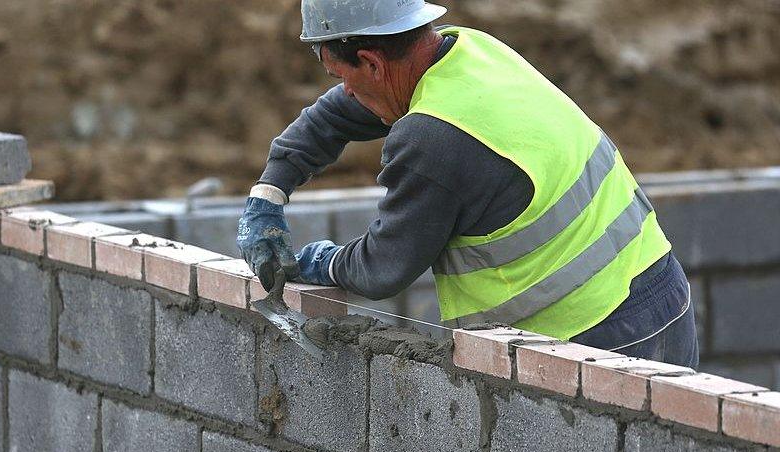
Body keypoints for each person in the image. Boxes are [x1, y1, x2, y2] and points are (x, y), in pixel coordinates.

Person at [236, 0, 698, 367]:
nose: (347, 93)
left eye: (343, 77)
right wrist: (268, 194)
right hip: (661, 292)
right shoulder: (470, 51)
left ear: (372, 63)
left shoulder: (432, 138)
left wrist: (317, 264)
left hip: (598, 338)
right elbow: (334, 116)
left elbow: (383, 268)